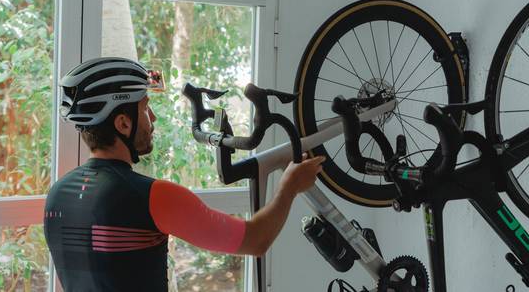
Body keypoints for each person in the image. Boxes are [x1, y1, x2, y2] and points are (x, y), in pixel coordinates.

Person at [44, 57, 325, 291]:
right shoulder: (153, 196)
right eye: (144, 108)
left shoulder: (57, 195)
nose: (152, 118)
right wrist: (289, 185)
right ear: (123, 122)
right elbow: (255, 240)